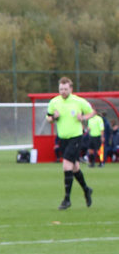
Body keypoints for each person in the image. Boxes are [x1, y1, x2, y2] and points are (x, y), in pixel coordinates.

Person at [46, 77, 96, 210]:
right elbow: (48, 118)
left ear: (71, 89)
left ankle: (67, 199)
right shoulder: (54, 102)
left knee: (66, 165)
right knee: (75, 168)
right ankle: (86, 190)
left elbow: (92, 112)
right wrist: (53, 118)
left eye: (65, 89)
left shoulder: (78, 101)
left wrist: (83, 117)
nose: (63, 91)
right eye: (61, 89)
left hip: (76, 137)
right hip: (63, 139)